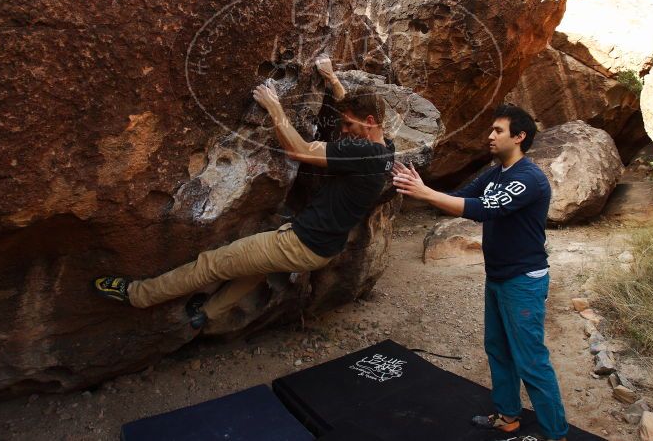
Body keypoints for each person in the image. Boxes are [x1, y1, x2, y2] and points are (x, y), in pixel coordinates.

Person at [94, 57, 394, 329]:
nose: (342, 130)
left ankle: (136, 295)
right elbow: (356, 113)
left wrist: (274, 106)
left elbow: (299, 150)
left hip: (301, 243)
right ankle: (206, 313)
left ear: (368, 124)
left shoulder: (363, 152)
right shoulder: (386, 149)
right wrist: (332, 80)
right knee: (255, 268)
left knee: (211, 264)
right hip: (322, 249)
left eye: (347, 125)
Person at [392, 104, 568, 441]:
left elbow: (484, 209)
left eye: (498, 131)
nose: (489, 136)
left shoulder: (527, 178)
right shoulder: (496, 172)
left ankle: (556, 433)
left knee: (531, 361)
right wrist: (420, 187)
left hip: (523, 281)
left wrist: (425, 192)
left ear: (519, 137)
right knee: (498, 349)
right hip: (499, 276)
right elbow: (459, 198)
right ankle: (508, 416)